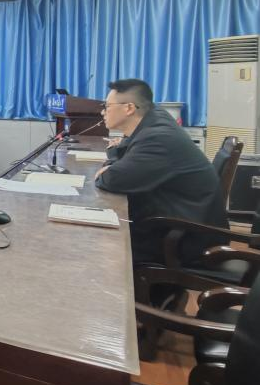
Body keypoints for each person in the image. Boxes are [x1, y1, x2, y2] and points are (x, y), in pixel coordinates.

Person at [95, 79, 228, 265]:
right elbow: (122, 154)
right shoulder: (154, 120)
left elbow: (113, 179)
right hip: (181, 224)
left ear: (129, 108)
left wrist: (107, 169)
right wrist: (114, 161)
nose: (102, 112)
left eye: (107, 106)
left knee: (97, 246)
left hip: (184, 241)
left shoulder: (157, 137)